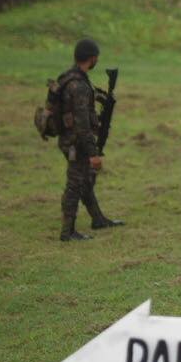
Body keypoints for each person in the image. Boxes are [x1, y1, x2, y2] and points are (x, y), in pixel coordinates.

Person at [57, 37, 123, 242]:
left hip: (69, 139)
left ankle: (98, 218)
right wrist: (93, 153)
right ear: (92, 59)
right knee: (75, 185)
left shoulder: (68, 77)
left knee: (85, 181)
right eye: (97, 58)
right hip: (78, 143)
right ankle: (67, 231)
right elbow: (83, 125)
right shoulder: (80, 86)